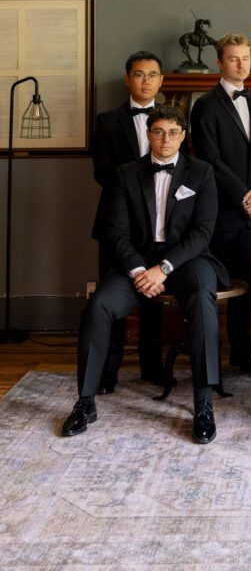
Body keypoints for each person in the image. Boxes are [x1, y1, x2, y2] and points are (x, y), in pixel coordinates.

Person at [61, 105, 226, 445]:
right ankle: (86, 401)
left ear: (184, 137)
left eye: (174, 132)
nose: (166, 139)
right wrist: (140, 270)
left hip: (185, 260)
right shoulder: (125, 173)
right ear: (149, 135)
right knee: (100, 306)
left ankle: (203, 404)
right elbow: (116, 232)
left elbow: (202, 232)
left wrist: (163, 268)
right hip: (136, 260)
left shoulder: (202, 172)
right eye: (159, 131)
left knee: (202, 295)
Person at [191, 33, 251, 373]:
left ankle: (241, 354)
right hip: (221, 213)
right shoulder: (204, 106)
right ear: (220, 63)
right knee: (212, 287)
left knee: (247, 287)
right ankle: (207, 358)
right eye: (233, 58)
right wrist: (244, 195)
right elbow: (209, 159)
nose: (241, 64)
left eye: (245, 58)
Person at [91, 50, 169, 391]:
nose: (146, 81)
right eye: (139, 74)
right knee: (112, 296)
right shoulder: (107, 121)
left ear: (161, 80)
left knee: (153, 296)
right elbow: (102, 172)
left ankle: (150, 367)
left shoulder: (172, 120)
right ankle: (108, 371)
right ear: (128, 79)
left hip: (159, 223)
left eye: (152, 75)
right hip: (116, 222)